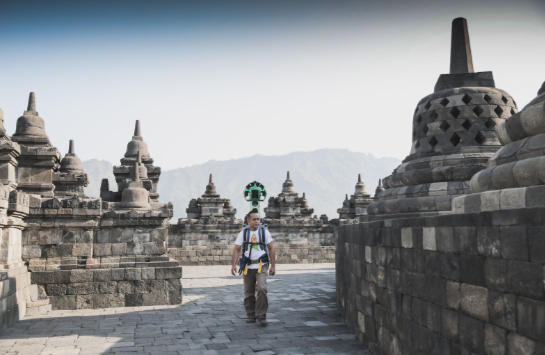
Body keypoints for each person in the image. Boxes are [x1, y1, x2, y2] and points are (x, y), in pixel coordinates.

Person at [231, 209, 275, 326]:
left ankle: (261, 315)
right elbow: (237, 249)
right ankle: (251, 315)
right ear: (248, 220)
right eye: (254, 219)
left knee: (261, 288)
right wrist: (233, 265)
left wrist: (273, 266)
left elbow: (271, 248)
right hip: (247, 266)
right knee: (248, 292)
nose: (257, 221)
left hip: (261, 265)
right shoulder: (243, 234)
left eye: (258, 219)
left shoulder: (264, 232)